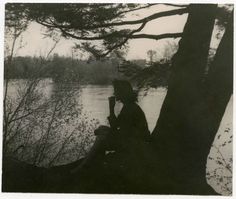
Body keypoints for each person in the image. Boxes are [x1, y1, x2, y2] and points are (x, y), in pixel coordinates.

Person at [71, 80, 150, 173]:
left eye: (116, 90)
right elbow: (117, 126)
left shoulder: (130, 109)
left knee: (101, 138)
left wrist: (111, 109)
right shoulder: (129, 106)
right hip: (132, 139)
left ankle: (84, 165)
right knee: (102, 129)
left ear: (122, 92)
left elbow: (117, 130)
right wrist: (105, 129)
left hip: (135, 143)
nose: (114, 93)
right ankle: (92, 162)